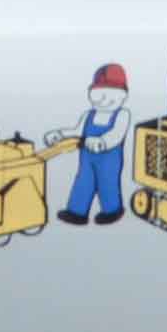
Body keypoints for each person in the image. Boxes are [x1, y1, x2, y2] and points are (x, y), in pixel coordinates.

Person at [59, 64, 132, 225]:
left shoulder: (122, 114)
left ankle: (112, 211)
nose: (103, 99)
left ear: (122, 95)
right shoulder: (89, 115)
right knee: (83, 181)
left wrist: (103, 142)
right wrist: (60, 135)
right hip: (87, 159)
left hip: (109, 160)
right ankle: (76, 212)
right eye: (99, 94)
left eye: (109, 93)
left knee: (107, 183)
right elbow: (77, 130)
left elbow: (117, 135)